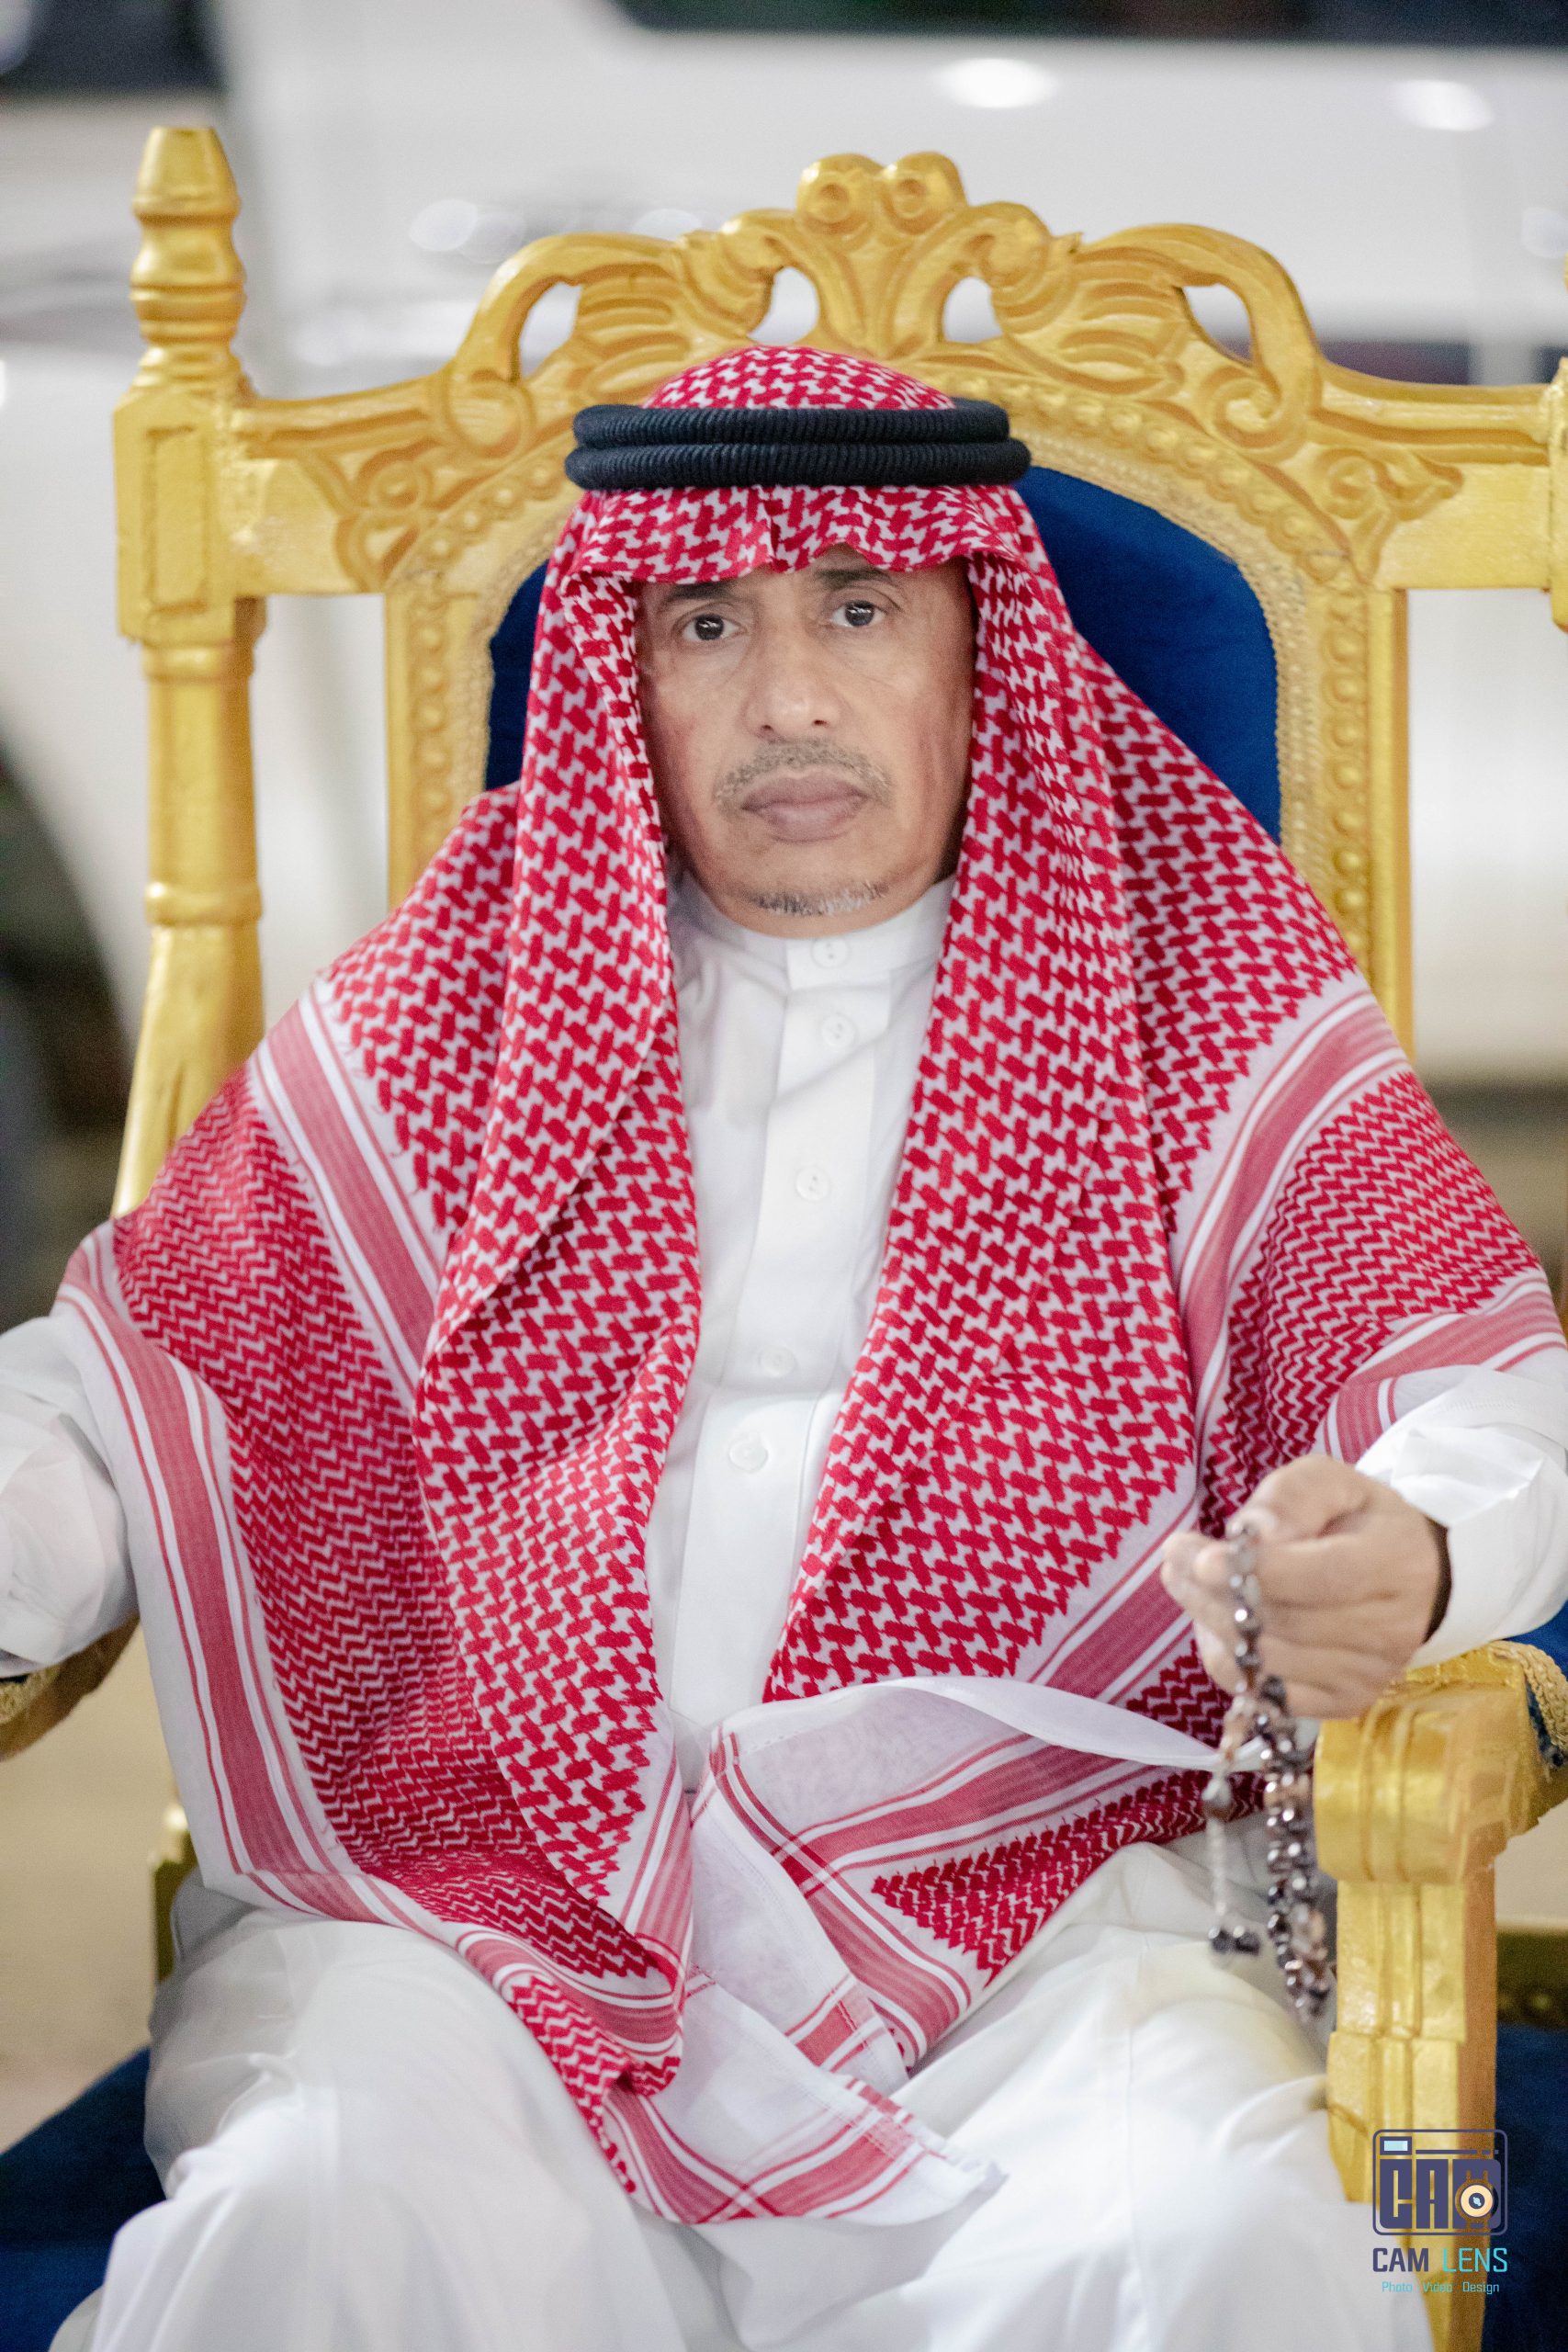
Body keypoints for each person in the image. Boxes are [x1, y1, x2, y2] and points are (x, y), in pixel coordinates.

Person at [5, 344, 1566, 2352]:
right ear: (623, 674)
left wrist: (1411, 1551)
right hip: (472, 1921)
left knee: (1208, 2242)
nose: (790, 700)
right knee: (319, 2218)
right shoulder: (452, 1009)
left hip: (1049, 1922)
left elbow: (1482, 1399)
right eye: (706, 625)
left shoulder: (1196, 993)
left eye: (856, 610)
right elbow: (135, 1389)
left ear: (975, 651)